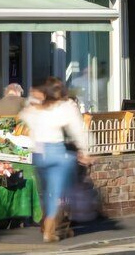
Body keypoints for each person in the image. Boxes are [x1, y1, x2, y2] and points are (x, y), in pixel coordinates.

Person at [20, 77, 91, 242]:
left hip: (38, 153)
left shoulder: (36, 108)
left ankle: (47, 225)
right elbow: (77, 130)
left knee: (45, 193)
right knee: (57, 193)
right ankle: (50, 230)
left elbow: (24, 116)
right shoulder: (66, 107)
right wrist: (84, 150)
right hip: (57, 153)